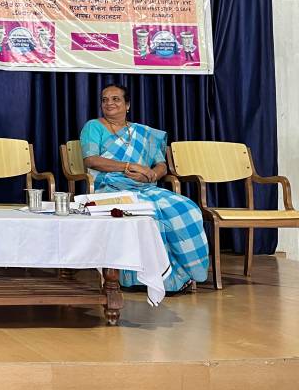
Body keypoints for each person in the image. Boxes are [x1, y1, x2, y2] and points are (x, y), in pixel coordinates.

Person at [79, 83, 209, 293]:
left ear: (127, 105)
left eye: (115, 99)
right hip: (110, 188)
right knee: (149, 213)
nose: (109, 103)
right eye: (105, 100)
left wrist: (151, 175)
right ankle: (137, 279)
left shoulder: (144, 133)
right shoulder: (93, 126)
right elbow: (91, 160)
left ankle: (179, 276)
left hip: (145, 187)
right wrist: (129, 166)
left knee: (187, 208)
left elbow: (161, 164)